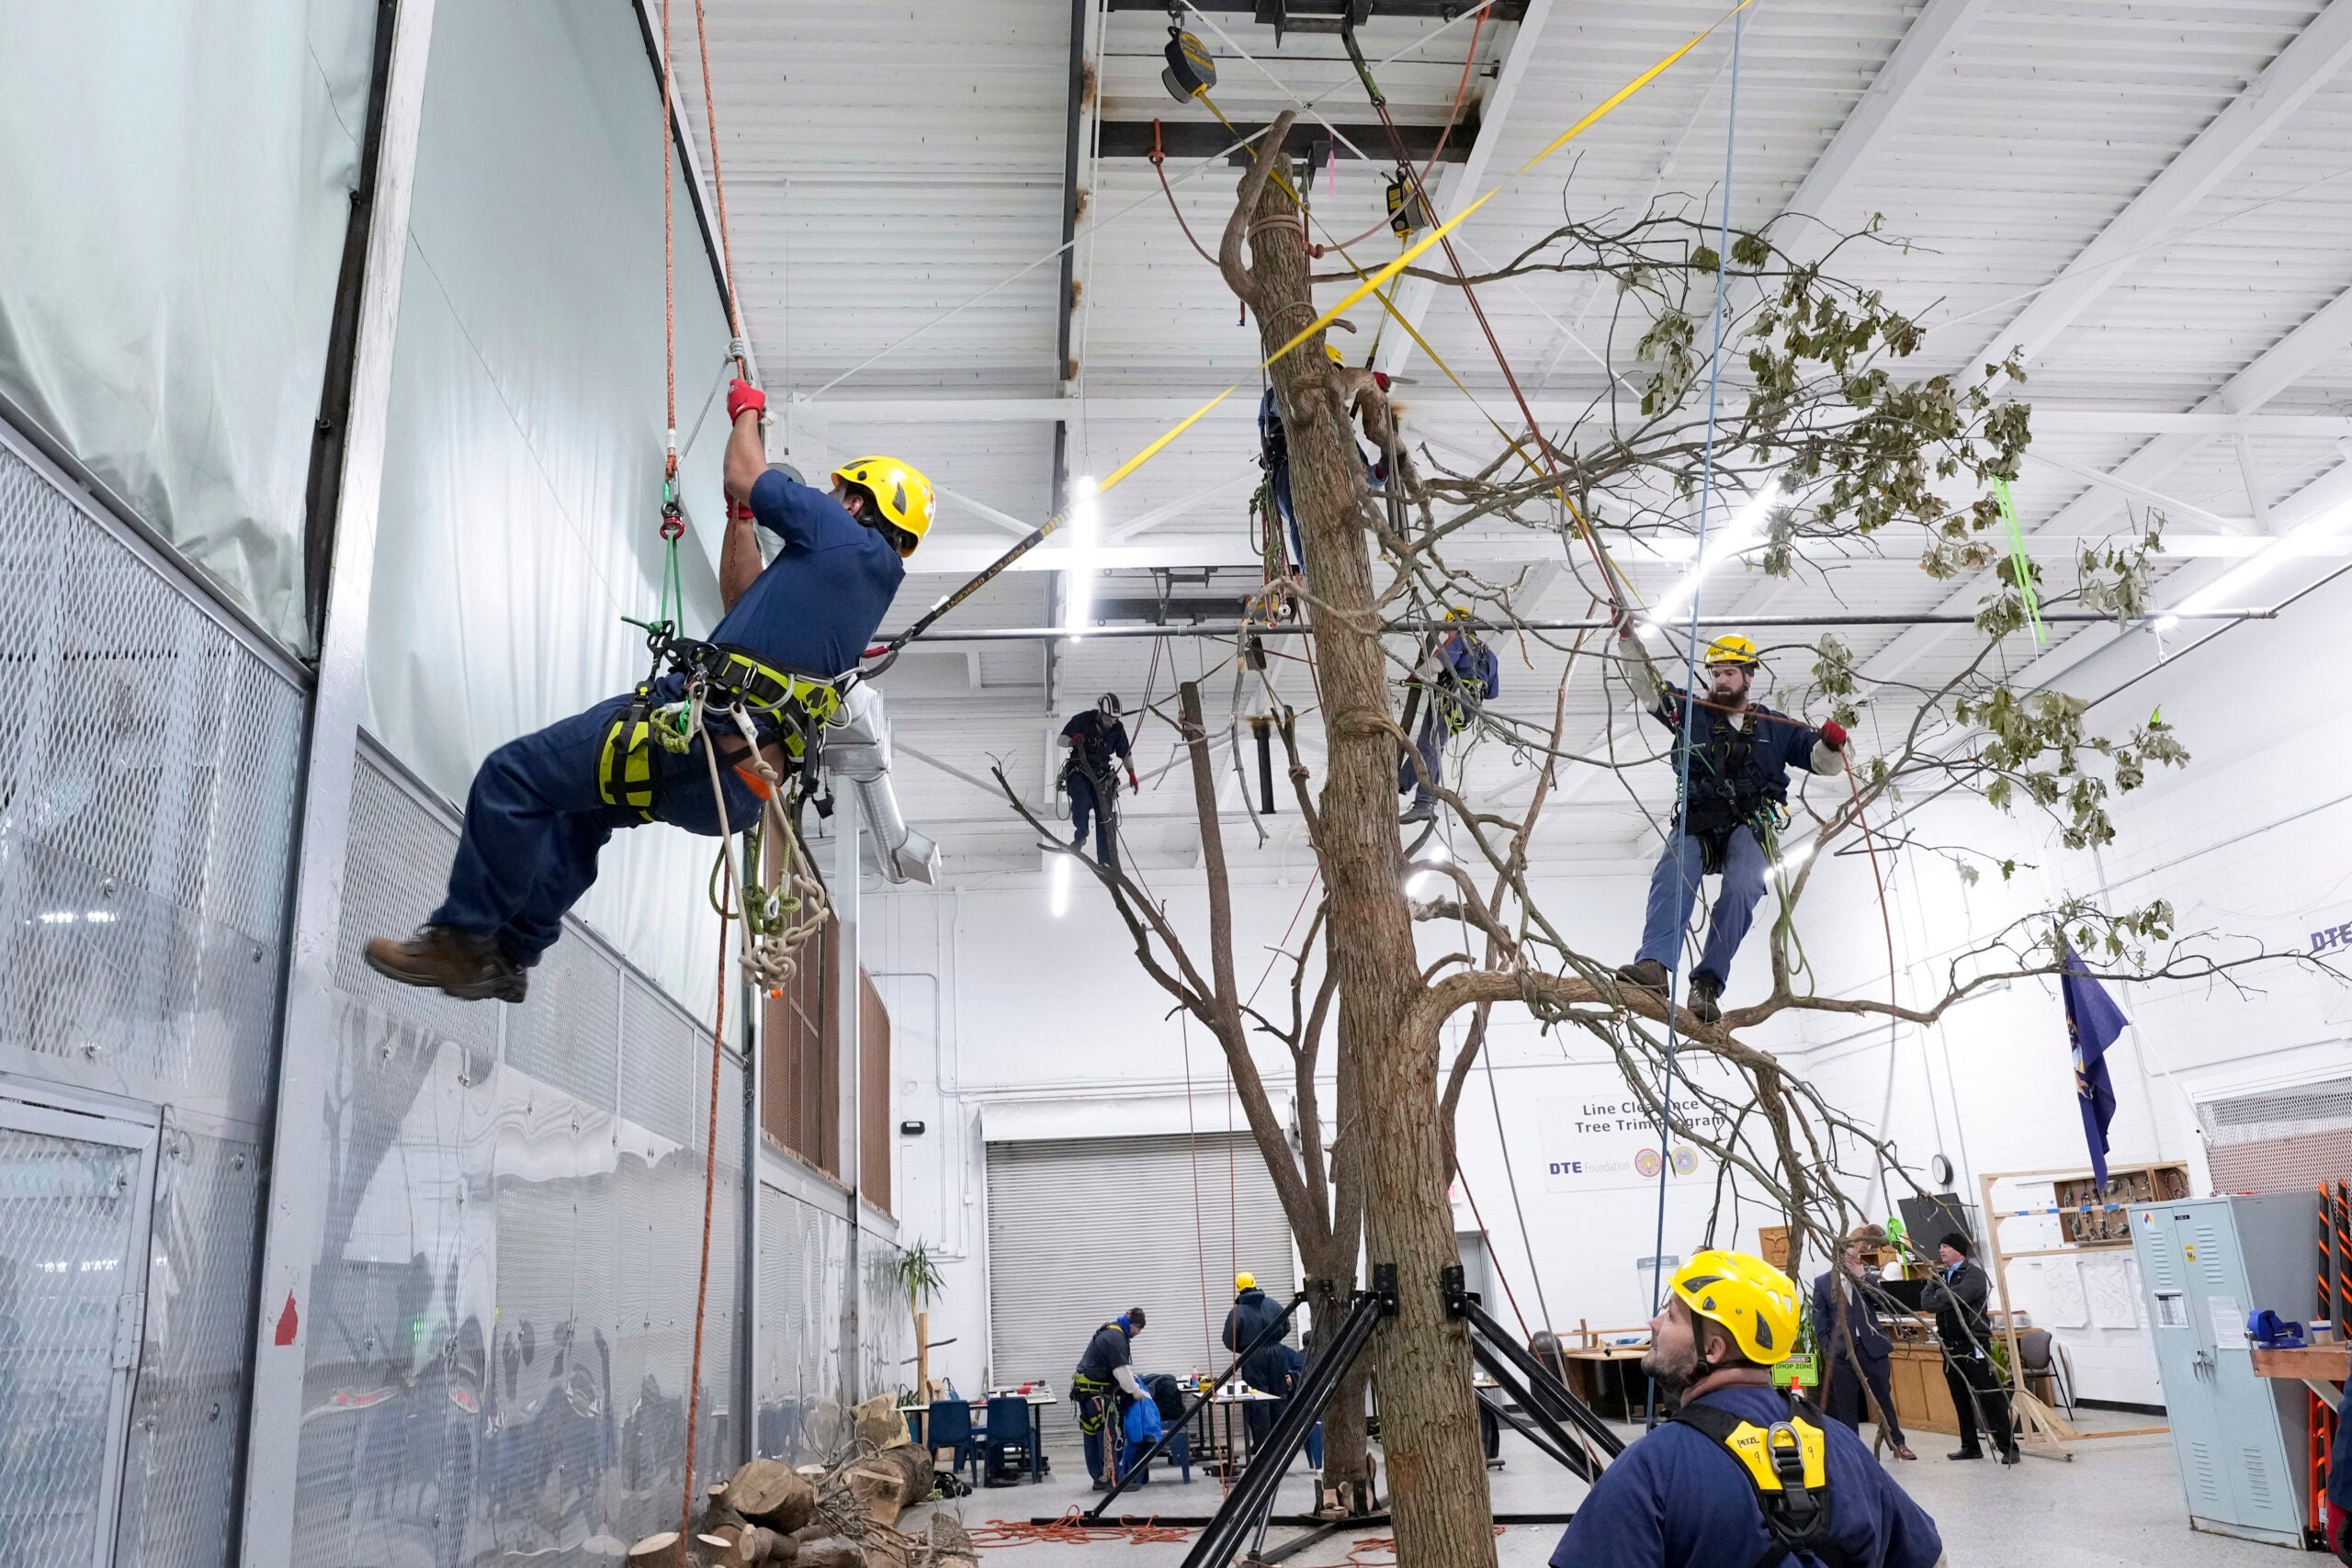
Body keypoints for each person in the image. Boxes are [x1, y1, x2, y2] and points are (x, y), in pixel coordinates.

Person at [363, 378, 932, 1002]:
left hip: (695, 740)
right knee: (585, 812)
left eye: (836, 491)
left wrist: (746, 411)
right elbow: (741, 597)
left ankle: (462, 940)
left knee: (512, 777)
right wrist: (740, 517)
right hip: (727, 784)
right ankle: (513, 954)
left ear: (856, 503)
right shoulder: (855, 589)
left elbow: (747, 470)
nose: (826, 496)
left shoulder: (841, 535)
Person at [1549, 1250, 1941, 1568]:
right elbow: (1929, 1557)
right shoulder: (1841, 1444)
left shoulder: (1652, 1468)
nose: (1654, 1322)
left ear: (1714, 1350)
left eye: (1671, 1315)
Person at [1612, 626, 1849, 1025]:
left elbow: (1824, 764)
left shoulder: (1777, 726)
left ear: (1748, 676)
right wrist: (1627, 639)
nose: (1721, 681)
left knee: (1743, 887)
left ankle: (1707, 983)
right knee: (1673, 869)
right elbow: (1646, 685)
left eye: (1729, 673)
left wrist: (1831, 744)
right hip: (1698, 822)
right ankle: (1654, 966)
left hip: (1751, 826)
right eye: (1716, 674)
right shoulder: (1689, 712)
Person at [1812, 1233, 1916, 1461]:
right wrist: (1829, 1348)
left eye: (1857, 1257)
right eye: (1850, 1257)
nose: (1855, 1261)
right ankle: (1854, 1451)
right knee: (1846, 1403)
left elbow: (1884, 1303)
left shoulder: (1868, 1279)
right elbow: (1819, 1320)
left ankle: (1898, 1443)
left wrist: (1865, 1280)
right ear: (1839, 1258)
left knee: (1883, 1397)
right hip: (1842, 1354)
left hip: (1872, 1348)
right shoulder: (1822, 1283)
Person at [1920, 1232, 2018, 1463]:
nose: (1941, 1250)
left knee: (1989, 1397)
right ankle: (1970, 1446)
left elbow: (1961, 1297)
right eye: (1940, 1246)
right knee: (1960, 1398)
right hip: (1950, 1347)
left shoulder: (1974, 1274)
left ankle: (2009, 1447)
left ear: (1958, 1250)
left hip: (1973, 1345)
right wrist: (1944, 1296)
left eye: (1945, 1246)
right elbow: (1925, 1302)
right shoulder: (1940, 1275)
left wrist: (1942, 1295)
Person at [1397, 613, 1499, 826]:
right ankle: (1401, 783)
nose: (1447, 633)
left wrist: (1413, 678)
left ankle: (1424, 801)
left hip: (1449, 699)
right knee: (1433, 747)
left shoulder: (1459, 640)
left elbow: (1438, 664)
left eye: (1447, 629)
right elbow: (1491, 692)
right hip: (1468, 707)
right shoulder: (1489, 654)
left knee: (1429, 747)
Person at [1072, 1307, 1148, 1490]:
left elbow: (1115, 1366)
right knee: (1108, 1435)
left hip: (1085, 1391)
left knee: (1092, 1435)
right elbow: (1119, 1370)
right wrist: (1135, 1391)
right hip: (1097, 1394)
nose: (1138, 1333)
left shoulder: (1111, 1330)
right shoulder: (1116, 1338)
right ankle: (1115, 1480)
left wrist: (1131, 1379)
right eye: (1139, 1329)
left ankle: (1099, 1477)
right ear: (1133, 1325)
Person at [1060, 694, 1138, 867]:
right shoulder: (1083, 720)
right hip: (1079, 770)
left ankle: (1106, 860)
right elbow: (1061, 739)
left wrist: (1131, 773)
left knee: (1105, 815)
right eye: (1108, 719)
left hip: (1102, 775)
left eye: (1115, 720)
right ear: (1099, 713)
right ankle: (1080, 836)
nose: (1112, 723)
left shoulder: (1117, 729)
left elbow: (1125, 753)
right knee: (1081, 799)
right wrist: (1072, 741)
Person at [1221, 1271, 1290, 1448]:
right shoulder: (1273, 1304)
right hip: (1277, 1353)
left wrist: (1245, 1350)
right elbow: (1286, 1326)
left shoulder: (1238, 1311)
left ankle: (1262, 1446)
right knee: (1279, 1396)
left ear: (1238, 1288)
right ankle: (1282, 1443)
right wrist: (1274, 1342)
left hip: (1253, 1356)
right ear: (1254, 1283)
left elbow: (1229, 1339)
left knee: (1258, 1400)